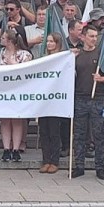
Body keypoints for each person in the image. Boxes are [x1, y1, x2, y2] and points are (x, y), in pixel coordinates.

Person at [70, 24, 104, 179]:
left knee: (99, 134)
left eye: (96, 36)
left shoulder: (101, 54)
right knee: (79, 134)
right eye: (91, 36)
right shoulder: (77, 55)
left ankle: (100, 167)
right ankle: (79, 165)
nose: (94, 39)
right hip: (80, 98)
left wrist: (101, 78)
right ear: (83, 37)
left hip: (98, 99)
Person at [0, 28, 32, 162]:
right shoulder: (1, 53)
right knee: (5, 120)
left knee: (17, 120)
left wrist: (12, 63)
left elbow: (26, 72)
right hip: (4, 90)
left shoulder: (24, 54)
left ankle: (16, 148)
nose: (1, 40)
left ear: (10, 40)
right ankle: (6, 148)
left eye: (4, 38)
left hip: (19, 91)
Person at [38, 32, 68, 174]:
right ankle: (46, 160)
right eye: (48, 41)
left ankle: (54, 161)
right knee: (44, 131)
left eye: (52, 41)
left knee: (54, 132)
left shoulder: (63, 59)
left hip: (56, 100)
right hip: (43, 100)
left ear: (58, 43)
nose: (49, 44)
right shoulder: (42, 59)